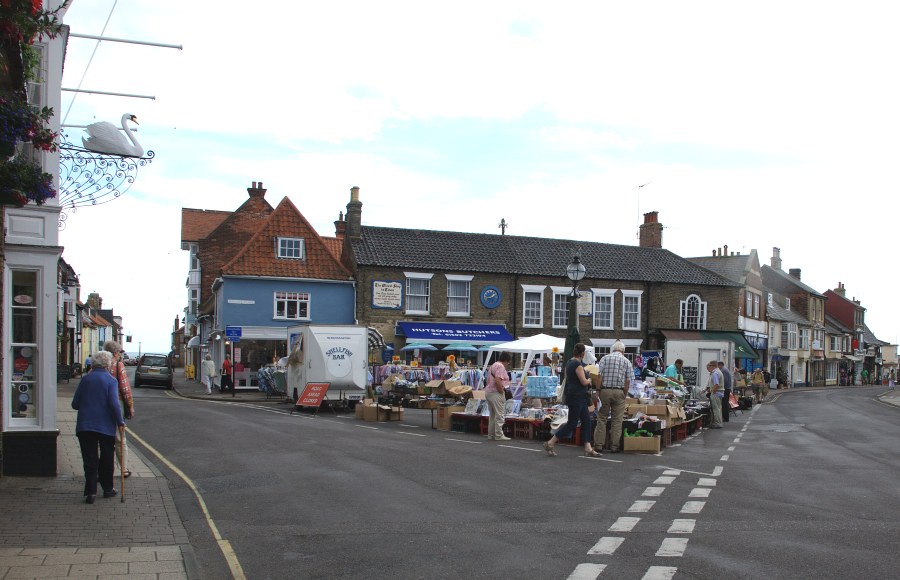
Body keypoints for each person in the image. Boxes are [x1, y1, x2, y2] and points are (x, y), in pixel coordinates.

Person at [71, 351, 125, 504]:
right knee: (107, 457)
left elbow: (75, 404)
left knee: (89, 459)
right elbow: (114, 404)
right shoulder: (111, 381)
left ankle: (91, 492)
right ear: (108, 364)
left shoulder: (85, 379)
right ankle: (108, 489)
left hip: (85, 425)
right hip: (105, 426)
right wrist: (120, 421)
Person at [544, 343, 600, 457]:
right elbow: (583, 381)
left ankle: (588, 447)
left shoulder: (569, 362)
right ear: (583, 353)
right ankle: (550, 442)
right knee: (572, 424)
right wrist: (589, 379)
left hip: (577, 396)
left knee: (586, 421)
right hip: (577, 397)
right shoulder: (577, 365)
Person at [591, 340, 633, 453]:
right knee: (617, 420)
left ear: (613, 349)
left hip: (604, 390)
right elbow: (627, 381)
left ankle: (599, 445)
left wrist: (598, 390)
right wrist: (624, 394)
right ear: (623, 351)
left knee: (602, 418)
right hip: (619, 392)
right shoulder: (627, 361)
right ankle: (614, 446)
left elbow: (599, 376)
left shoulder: (605, 358)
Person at [103, 340, 134, 479]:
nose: (121, 355)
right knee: (120, 438)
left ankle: (103, 469)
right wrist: (130, 406)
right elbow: (125, 388)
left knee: (103, 438)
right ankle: (123, 469)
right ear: (115, 353)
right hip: (116, 404)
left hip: (100, 406)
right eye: (120, 353)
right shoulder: (118, 365)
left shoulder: (99, 365)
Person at [485, 351, 512, 441]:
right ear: (506, 360)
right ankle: (499, 435)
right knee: (499, 415)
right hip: (496, 393)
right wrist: (501, 391)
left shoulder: (493, 365)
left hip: (489, 392)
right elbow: (498, 380)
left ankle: (491, 434)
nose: (508, 364)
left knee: (492, 415)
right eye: (508, 362)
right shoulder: (500, 366)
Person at [706, 361, 724, 428]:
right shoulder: (719, 372)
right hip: (720, 393)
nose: (709, 367)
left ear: (713, 366)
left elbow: (716, 384)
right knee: (719, 408)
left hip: (716, 393)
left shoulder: (715, 373)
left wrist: (712, 391)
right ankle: (719, 422)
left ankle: (717, 423)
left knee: (715, 408)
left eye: (710, 366)